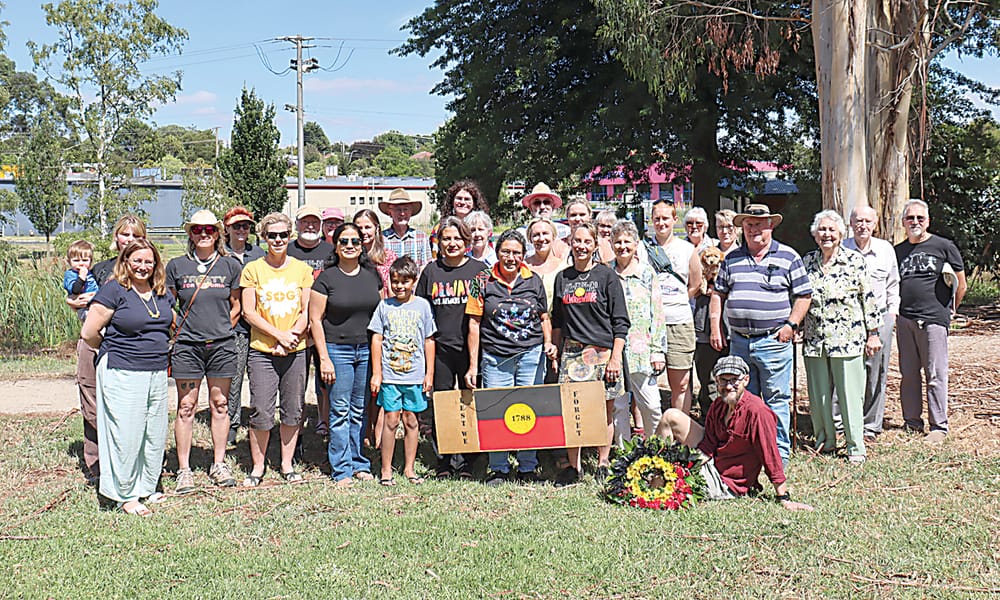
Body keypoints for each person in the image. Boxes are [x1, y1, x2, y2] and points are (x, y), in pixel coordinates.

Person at [710, 203, 812, 465]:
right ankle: (748, 452)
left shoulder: (788, 257)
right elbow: (718, 294)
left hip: (773, 341)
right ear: (742, 228)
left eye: (759, 223)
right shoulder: (731, 258)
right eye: (748, 224)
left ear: (771, 226)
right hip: (739, 342)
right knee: (742, 400)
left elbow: (804, 295)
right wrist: (715, 327)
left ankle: (778, 455)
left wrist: (791, 324)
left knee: (776, 399)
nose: (753, 229)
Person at [80, 239, 175, 516]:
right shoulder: (114, 290)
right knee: (126, 432)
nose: (143, 266)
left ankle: (147, 485)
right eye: (137, 261)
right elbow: (90, 332)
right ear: (125, 262)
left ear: (156, 264)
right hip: (122, 369)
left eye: (149, 261)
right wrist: (112, 349)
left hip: (156, 370)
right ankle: (125, 494)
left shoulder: (161, 292)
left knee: (152, 432)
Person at [658, 356, 814, 511]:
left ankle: (655, 480)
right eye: (723, 380)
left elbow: (770, 455)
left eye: (734, 380)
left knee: (672, 485)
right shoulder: (719, 405)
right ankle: (653, 466)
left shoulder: (757, 412)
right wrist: (689, 464)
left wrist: (783, 497)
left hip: (728, 482)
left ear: (746, 380)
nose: (728, 386)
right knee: (670, 416)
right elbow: (708, 444)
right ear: (716, 381)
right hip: (713, 463)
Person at [464, 229, 555, 484]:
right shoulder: (482, 280)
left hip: (530, 355)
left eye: (516, 252)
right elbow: (474, 324)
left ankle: (527, 465)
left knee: (529, 409)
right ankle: (499, 467)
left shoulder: (533, 279)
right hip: (495, 357)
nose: (511, 257)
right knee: (496, 410)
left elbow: (543, 317)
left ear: (523, 255)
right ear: (497, 252)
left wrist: (548, 343)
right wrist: (473, 365)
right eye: (505, 251)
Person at [65, 215, 147, 484]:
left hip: (129, 345)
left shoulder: (147, 268)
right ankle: (97, 463)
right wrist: (76, 299)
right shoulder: (101, 269)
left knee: (129, 403)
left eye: (136, 235)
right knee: (90, 396)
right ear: (116, 237)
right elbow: (79, 297)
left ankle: (131, 458)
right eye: (125, 235)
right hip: (94, 340)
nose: (130, 240)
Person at [166, 210, 243, 492]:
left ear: (218, 233)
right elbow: (167, 305)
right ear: (190, 233)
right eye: (197, 230)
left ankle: (219, 463)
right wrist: (180, 329)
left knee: (220, 405)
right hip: (187, 346)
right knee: (186, 406)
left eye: (209, 230)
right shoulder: (176, 266)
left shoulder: (230, 266)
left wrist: (224, 328)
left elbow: (237, 305)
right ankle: (184, 469)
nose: (203, 235)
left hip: (222, 345)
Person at [551, 222, 630, 485]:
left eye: (587, 242)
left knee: (604, 413)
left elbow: (621, 322)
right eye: (577, 241)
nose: (581, 246)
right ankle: (573, 466)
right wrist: (555, 352)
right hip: (572, 354)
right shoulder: (563, 278)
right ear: (570, 243)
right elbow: (557, 321)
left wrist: (616, 358)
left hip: (605, 353)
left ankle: (603, 462)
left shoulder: (607, 277)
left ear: (596, 245)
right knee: (573, 412)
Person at [801, 210, 882, 463]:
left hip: (847, 339)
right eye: (822, 230)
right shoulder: (807, 262)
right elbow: (799, 298)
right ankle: (825, 441)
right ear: (815, 235)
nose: (826, 235)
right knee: (819, 395)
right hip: (815, 340)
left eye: (831, 230)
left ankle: (855, 446)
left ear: (840, 234)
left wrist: (874, 333)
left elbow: (867, 298)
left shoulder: (854, 261)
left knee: (850, 395)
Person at [240, 212, 313, 486]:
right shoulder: (253, 269)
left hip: (295, 350)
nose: (279, 239)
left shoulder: (301, 270)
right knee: (261, 409)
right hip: (262, 350)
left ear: (290, 236)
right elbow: (249, 312)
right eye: (273, 235)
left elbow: (307, 310)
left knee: (293, 409)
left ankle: (286, 463)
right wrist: (279, 336)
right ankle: (258, 467)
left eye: (283, 234)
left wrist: (292, 336)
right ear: (264, 238)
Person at [309, 223, 381, 487]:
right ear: (335, 246)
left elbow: (380, 315)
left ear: (361, 245)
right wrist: (324, 357)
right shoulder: (326, 278)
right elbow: (315, 320)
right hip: (337, 350)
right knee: (340, 410)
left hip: (366, 350)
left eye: (355, 241)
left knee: (360, 409)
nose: (350, 246)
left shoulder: (372, 275)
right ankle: (341, 469)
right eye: (344, 241)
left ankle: (359, 461)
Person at [416, 216, 486, 478]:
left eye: (457, 238)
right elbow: (422, 311)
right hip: (440, 347)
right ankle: (445, 458)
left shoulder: (479, 270)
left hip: (470, 348)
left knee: (470, 401)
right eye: (447, 238)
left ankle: (468, 459)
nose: (452, 243)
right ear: (439, 242)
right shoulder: (431, 272)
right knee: (443, 403)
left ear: (467, 241)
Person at [895, 199, 966, 443]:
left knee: (935, 373)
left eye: (920, 218)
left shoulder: (943, 246)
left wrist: (949, 310)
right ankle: (912, 422)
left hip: (933, 319)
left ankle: (939, 427)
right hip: (904, 319)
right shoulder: (898, 251)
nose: (915, 222)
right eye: (910, 218)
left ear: (928, 221)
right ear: (903, 222)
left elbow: (961, 282)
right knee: (909, 374)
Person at [368, 256, 437, 486]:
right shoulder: (384, 306)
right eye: (395, 281)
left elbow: (429, 340)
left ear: (414, 282)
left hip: (415, 376)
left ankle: (409, 468)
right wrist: (377, 373)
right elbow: (376, 339)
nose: (399, 286)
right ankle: (386, 469)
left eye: (405, 282)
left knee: (411, 420)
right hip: (390, 376)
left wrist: (429, 374)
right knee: (390, 419)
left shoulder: (422, 306)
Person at [841, 205, 900, 443]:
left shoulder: (885, 250)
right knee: (844, 370)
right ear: (851, 223)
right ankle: (841, 421)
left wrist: (892, 316)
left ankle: (870, 426)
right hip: (847, 319)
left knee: (876, 372)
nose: (862, 225)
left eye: (867, 221)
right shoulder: (841, 247)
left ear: (875, 224)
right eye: (858, 221)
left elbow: (893, 285)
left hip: (881, 317)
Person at [609, 220, 667, 442]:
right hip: (615, 353)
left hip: (642, 352)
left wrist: (658, 350)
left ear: (636, 243)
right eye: (617, 242)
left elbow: (658, 313)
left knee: (651, 406)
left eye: (627, 241)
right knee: (619, 407)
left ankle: (655, 449)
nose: (622, 246)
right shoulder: (607, 273)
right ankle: (624, 453)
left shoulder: (646, 273)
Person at [644, 200, 702, 414]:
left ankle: (680, 432)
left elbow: (695, 284)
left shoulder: (687, 249)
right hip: (648, 324)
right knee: (644, 381)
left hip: (679, 321)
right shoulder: (643, 249)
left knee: (681, 383)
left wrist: (677, 300)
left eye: (665, 218)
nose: (661, 223)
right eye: (657, 218)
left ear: (674, 220)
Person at [287, 205, 335, 440]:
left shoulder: (331, 251)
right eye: (305, 222)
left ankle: (324, 421)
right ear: (296, 225)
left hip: (325, 324)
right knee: (296, 380)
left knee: (326, 377)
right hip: (295, 326)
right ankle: (296, 420)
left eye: (314, 222)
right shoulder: (287, 251)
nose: (310, 226)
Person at [222, 206, 266, 446]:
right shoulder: (220, 254)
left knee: (259, 379)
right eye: (236, 226)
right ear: (226, 228)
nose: (241, 230)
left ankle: (259, 422)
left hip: (259, 324)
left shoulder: (258, 253)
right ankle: (231, 425)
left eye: (245, 226)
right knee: (234, 378)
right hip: (234, 326)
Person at [692, 209, 740, 420]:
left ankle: (734, 418)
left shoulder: (744, 253)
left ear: (737, 230)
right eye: (721, 227)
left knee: (734, 374)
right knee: (707, 374)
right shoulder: (705, 252)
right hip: (705, 322)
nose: (725, 231)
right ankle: (709, 419)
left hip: (734, 324)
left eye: (729, 227)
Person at [431, 180, 489, 257]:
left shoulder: (482, 228)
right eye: (459, 198)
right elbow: (434, 255)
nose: (462, 202)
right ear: (452, 201)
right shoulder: (440, 228)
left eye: (467, 199)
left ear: (474, 203)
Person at [380, 188, 432, 270]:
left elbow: (425, 268)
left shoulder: (421, 237)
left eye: (406, 209)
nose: (402, 213)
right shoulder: (381, 238)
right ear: (390, 213)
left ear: (411, 212)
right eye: (398, 209)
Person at [354, 208, 398, 296]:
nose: (363, 232)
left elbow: (393, 291)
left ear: (376, 228)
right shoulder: (351, 257)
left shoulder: (389, 257)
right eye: (359, 228)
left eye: (367, 227)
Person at [519, 182, 570, 258]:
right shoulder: (521, 234)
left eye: (546, 202)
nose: (542, 207)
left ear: (553, 206)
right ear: (530, 207)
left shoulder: (566, 231)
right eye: (537, 203)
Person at [562, 198, 614, 263]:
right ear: (567, 217)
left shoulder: (603, 244)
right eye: (573, 215)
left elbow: (610, 268)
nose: (577, 219)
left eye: (582, 215)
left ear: (590, 216)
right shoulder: (559, 245)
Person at [63, 240, 99, 322]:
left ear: (90, 261)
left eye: (85, 260)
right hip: (84, 308)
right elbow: (75, 290)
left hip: (95, 305)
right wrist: (81, 277)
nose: (81, 264)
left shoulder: (90, 272)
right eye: (76, 261)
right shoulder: (70, 275)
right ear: (69, 261)